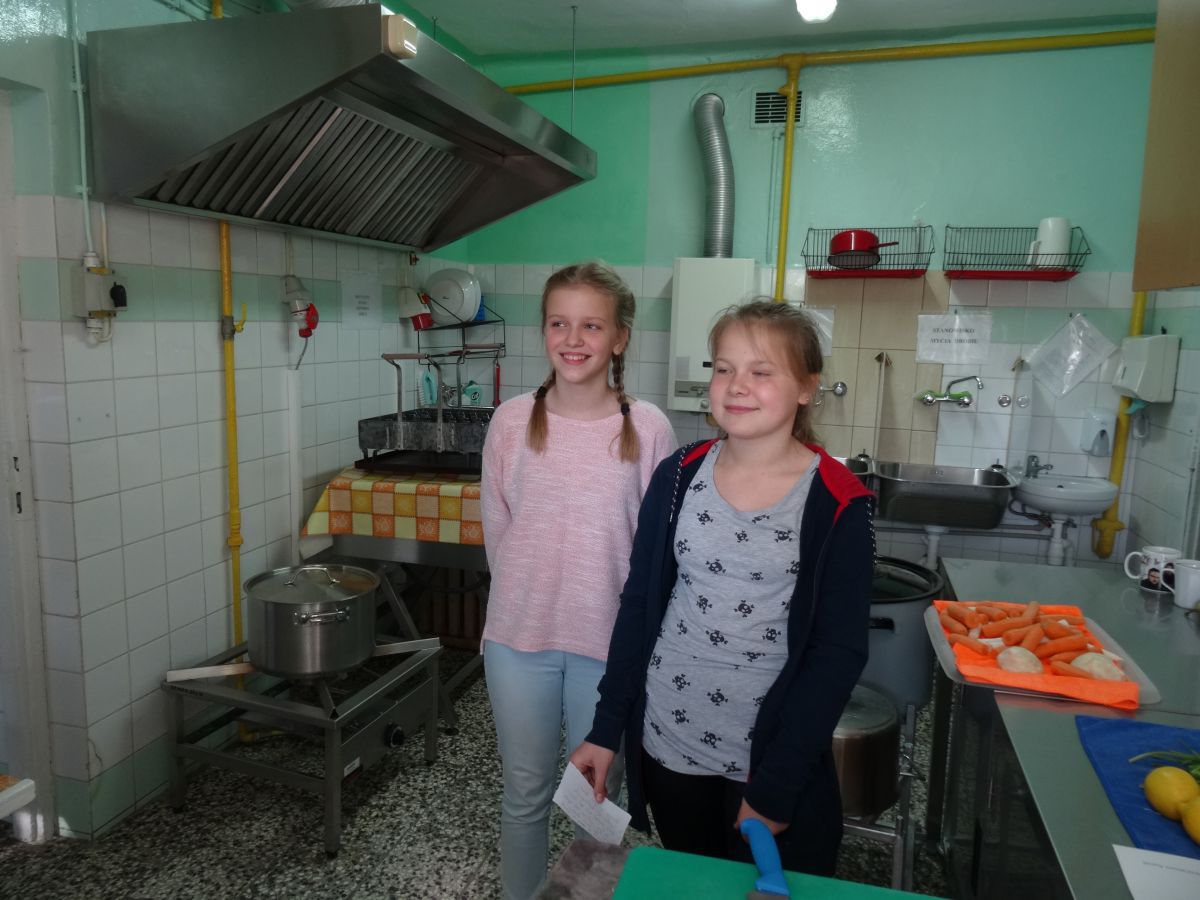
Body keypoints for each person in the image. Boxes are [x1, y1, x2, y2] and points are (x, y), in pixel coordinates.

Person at [569, 299, 875, 876]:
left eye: (762, 371)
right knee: (698, 879)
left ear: (807, 386)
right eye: (724, 368)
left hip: (767, 761)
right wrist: (606, 729)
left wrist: (778, 783)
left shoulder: (837, 502)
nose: (737, 385)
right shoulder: (679, 475)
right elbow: (639, 606)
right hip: (669, 743)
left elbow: (837, 655)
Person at [480, 261, 677, 900]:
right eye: (558, 323)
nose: (573, 339)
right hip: (518, 640)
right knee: (525, 792)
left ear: (620, 338)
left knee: (596, 797)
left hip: (608, 647)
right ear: (543, 331)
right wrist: (529, 596)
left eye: (592, 325)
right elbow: (497, 532)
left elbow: (657, 554)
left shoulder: (648, 428)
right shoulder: (511, 421)